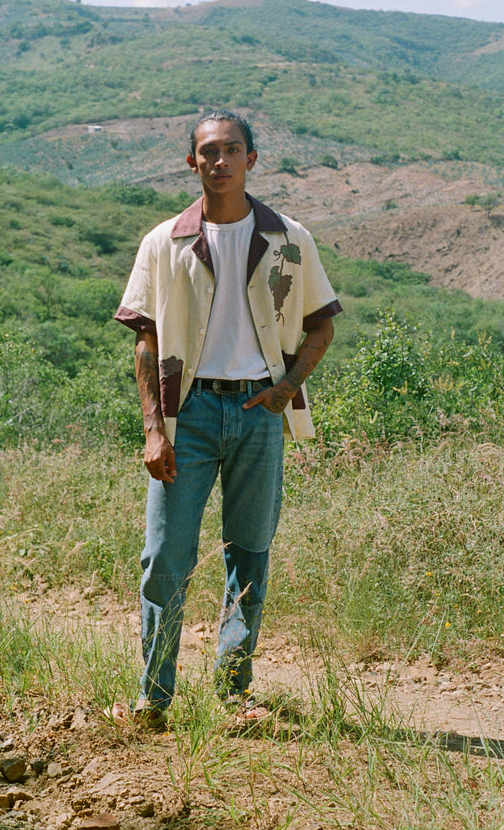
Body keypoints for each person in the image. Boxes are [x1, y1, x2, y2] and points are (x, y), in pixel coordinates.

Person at [114, 109, 341, 728]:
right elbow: (145, 341)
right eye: (208, 152)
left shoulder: (289, 238)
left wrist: (287, 388)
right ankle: (153, 696)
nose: (220, 161)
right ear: (192, 162)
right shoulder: (166, 241)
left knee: (250, 550)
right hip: (187, 414)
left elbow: (321, 323)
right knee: (165, 557)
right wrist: (154, 428)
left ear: (251, 160)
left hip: (258, 409)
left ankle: (234, 692)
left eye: (231, 150)